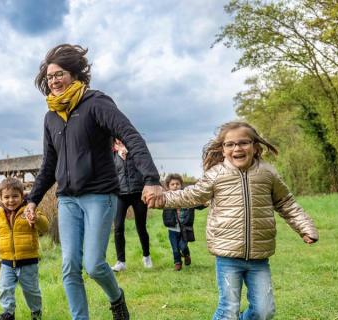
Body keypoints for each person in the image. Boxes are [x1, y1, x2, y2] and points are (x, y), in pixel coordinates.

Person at [25, 43, 163, 320]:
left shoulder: (96, 103)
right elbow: (49, 164)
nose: (54, 80)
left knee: (94, 264)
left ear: (75, 74)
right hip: (67, 199)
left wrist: (151, 178)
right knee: (69, 266)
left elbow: (131, 136)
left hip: (99, 195)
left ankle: (116, 297)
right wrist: (32, 199)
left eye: (59, 74)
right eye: (49, 76)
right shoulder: (51, 117)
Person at [148, 121, 318, 320]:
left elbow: (286, 202)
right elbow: (190, 195)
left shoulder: (268, 173)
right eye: (230, 144)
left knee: (264, 311)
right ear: (223, 149)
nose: (237, 148)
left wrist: (305, 227)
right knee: (228, 311)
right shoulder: (216, 175)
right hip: (227, 255)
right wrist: (161, 199)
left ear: (255, 147)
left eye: (243, 143)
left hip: (259, 257)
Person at [0, 178, 49, 320]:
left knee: (31, 291)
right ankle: (8, 313)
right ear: (0, 198)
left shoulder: (30, 210)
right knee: (4, 288)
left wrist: (35, 218)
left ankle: (36, 312)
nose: (10, 200)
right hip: (6, 262)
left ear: (22, 196)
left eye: (15, 196)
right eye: (6, 197)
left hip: (28, 262)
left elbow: (45, 227)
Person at [111, 138, 153, 272]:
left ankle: (146, 256)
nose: (119, 142)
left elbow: (145, 169)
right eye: (117, 141)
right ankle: (121, 262)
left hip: (138, 193)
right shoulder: (111, 156)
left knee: (141, 227)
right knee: (118, 227)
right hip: (120, 195)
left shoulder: (135, 152)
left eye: (121, 140)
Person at [161, 173, 204, 271]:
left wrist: (204, 202)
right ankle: (177, 262)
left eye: (177, 184)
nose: (175, 186)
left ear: (181, 185)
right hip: (173, 227)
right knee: (175, 247)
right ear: (168, 187)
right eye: (172, 184)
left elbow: (196, 204)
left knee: (183, 246)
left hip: (185, 226)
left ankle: (186, 254)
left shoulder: (186, 197)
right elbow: (158, 204)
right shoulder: (166, 198)